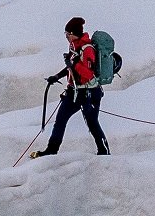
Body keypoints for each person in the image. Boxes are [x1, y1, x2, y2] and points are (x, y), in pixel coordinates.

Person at [38, 16, 119, 156]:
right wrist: (57, 76)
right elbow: (72, 68)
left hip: (89, 93)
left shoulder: (87, 49)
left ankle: (104, 151)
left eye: (67, 34)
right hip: (74, 92)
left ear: (72, 33)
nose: (66, 37)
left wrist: (73, 64)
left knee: (92, 123)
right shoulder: (75, 47)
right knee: (60, 119)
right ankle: (52, 150)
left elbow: (87, 73)